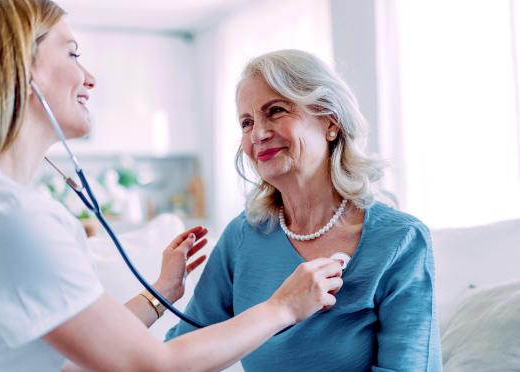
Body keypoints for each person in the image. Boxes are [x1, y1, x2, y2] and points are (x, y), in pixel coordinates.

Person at [0, 3, 344, 371]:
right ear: (22, 67)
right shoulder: (8, 219)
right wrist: (284, 307)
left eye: (276, 111)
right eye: (73, 54)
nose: (90, 78)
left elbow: (75, 360)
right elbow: (152, 366)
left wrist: (161, 293)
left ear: (331, 123)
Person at [167, 49, 443, 371]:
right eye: (246, 122)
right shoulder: (242, 237)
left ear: (331, 122)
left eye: (276, 111)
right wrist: (161, 293)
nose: (258, 133)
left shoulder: (401, 239)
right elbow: (176, 357)